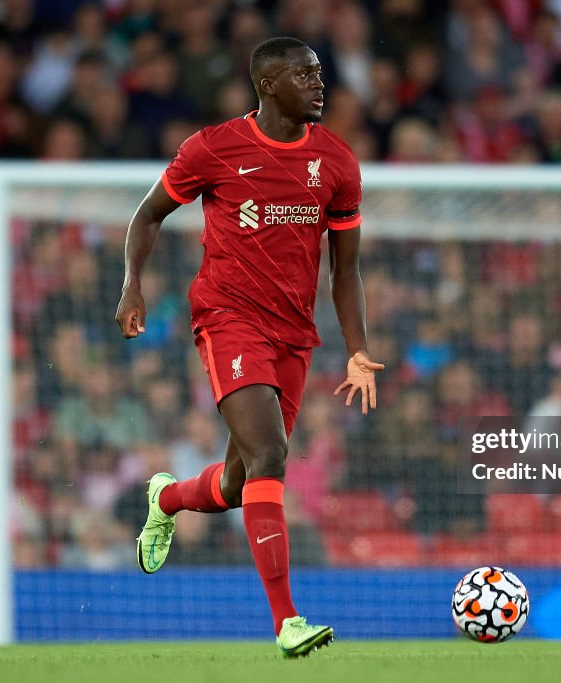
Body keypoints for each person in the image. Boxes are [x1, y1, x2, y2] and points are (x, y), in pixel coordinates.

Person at [114, 37, 384, 657]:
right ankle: (288, 621)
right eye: (304, 74)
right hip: (228, 318)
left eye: (320, 72)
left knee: (240, 483)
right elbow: (147, 216)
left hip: (294, 334)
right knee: (270, 454)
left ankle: (167, 497)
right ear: (267, 84)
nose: (319, 83)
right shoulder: (213, 148)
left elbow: (346, 271)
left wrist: (358, 348)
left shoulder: (337, 162)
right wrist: (132, 284)